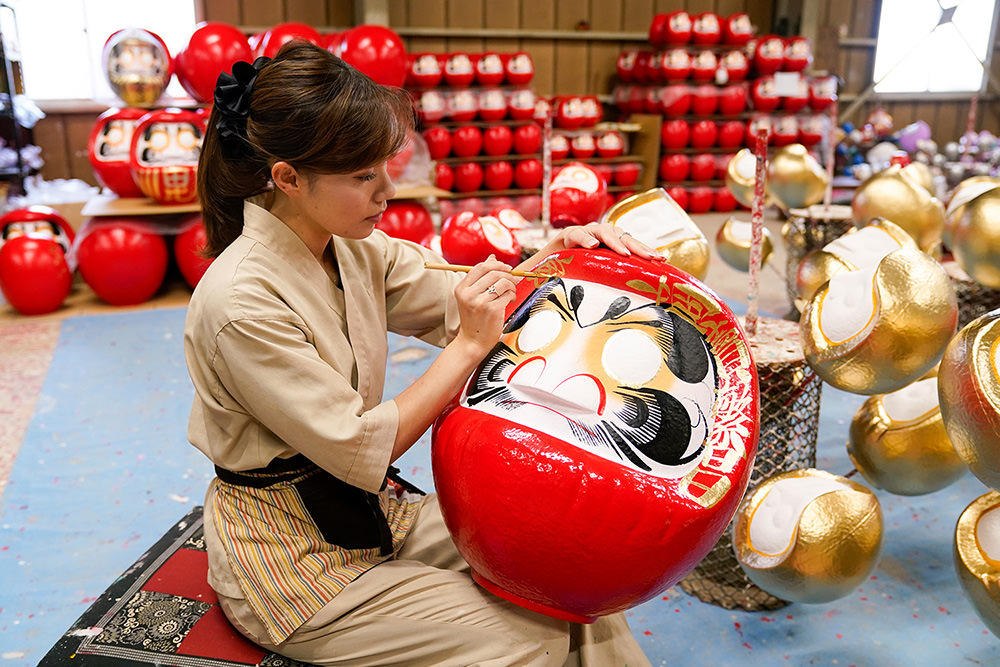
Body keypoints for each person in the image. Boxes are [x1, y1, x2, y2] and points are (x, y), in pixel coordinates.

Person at [185, 40, 661, 666]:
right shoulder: (239, 303)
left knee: (571, 570)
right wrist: (467, 345)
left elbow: (463, 294)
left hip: (371, 514)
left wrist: (560, 264)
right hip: (291, 565)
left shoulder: (350, 246)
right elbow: (363, 445)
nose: (389, 190)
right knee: (530, 640)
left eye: (385, 166)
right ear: (288, 178)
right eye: (363, 176)